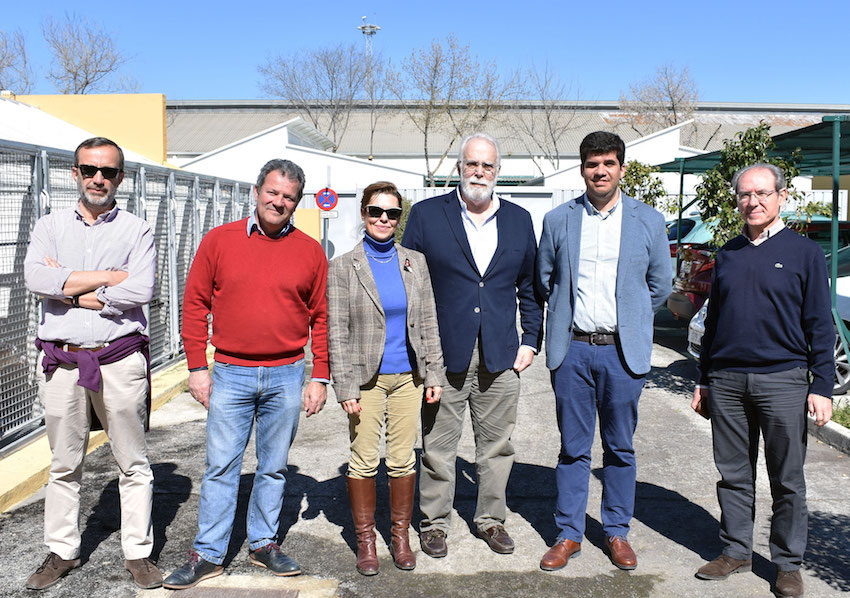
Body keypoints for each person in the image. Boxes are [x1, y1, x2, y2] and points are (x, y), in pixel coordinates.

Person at [163, 159, 329, 590]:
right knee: (221, 466)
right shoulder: (219, 241)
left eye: (288, 196)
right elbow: (194, 306)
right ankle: (209, 553)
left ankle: (262, 543)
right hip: (231, 372)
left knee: (274, 467)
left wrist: (320, 375)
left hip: (287, 374)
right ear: (257, 191)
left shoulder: (310, 251)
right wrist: (197, 367)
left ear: (297, 202)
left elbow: (322, 317)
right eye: (272, 192)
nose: (279, 201)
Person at [23, 137, 160, 590]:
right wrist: (105, 280)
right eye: (89, 169)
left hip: (119, 360)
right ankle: (62, 550)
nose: (98, 178)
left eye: (108, 171)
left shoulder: (137, 230)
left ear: (121, 177)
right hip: (61, 362)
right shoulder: (48, 224)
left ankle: (138, 553)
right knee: (64, 464)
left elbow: (140, 290)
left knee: (133, 462)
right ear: (75, 173)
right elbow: (34, 277)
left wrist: (65, 285)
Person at [692, 163, 833, 598]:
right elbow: (713, 322)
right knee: (732, 473)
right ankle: (736, 551)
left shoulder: (805, 253)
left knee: (786, 478)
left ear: (781, 197)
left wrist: (822, 385)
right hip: (728, 380)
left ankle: (788, 563)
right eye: (745, 195)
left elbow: (820, 324)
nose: (752, 202)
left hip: (783, 380)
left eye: (762, 194)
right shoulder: (729, 253)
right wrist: (704, 378)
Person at [401, 132, 543, 557]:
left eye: (488, 166)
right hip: (444, 354)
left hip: (501, 353)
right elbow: (412, 287)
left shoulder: (518, 219)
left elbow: (530, 288)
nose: (479, 172)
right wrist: (422, 351)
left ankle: (490, 520)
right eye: (471, 164)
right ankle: (434, 523)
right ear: (459, 168)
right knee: (438, 446)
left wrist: (531, 340)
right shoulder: (428, 216)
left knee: (497, 447)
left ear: (497, 172)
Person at [535, 131, 670, 572]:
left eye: (609, 163)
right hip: (572, 350)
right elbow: (545, 280)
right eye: (593, 164)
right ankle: (569, 534)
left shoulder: (648, 220)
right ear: (582, 169)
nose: (600, 171)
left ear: (621, 169)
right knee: (573, 449)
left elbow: (660, 285)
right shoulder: (559, 220)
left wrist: (629, 319)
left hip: (621, 352)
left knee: (619, 447)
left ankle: (616, 531)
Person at [328, 181, 447, 575]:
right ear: (364, 214)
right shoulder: (344, 266)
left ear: (400, 218)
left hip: (408, 378)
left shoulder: (415, 262)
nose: (384, 219)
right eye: (376, 212)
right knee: (363, 461)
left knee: (401, 460)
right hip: (366, 380)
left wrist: (434, 373)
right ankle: (366, 542)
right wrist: (343, 386)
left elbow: (428, 320)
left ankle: (400, 537)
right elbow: (337, 332)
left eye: (392, 213)